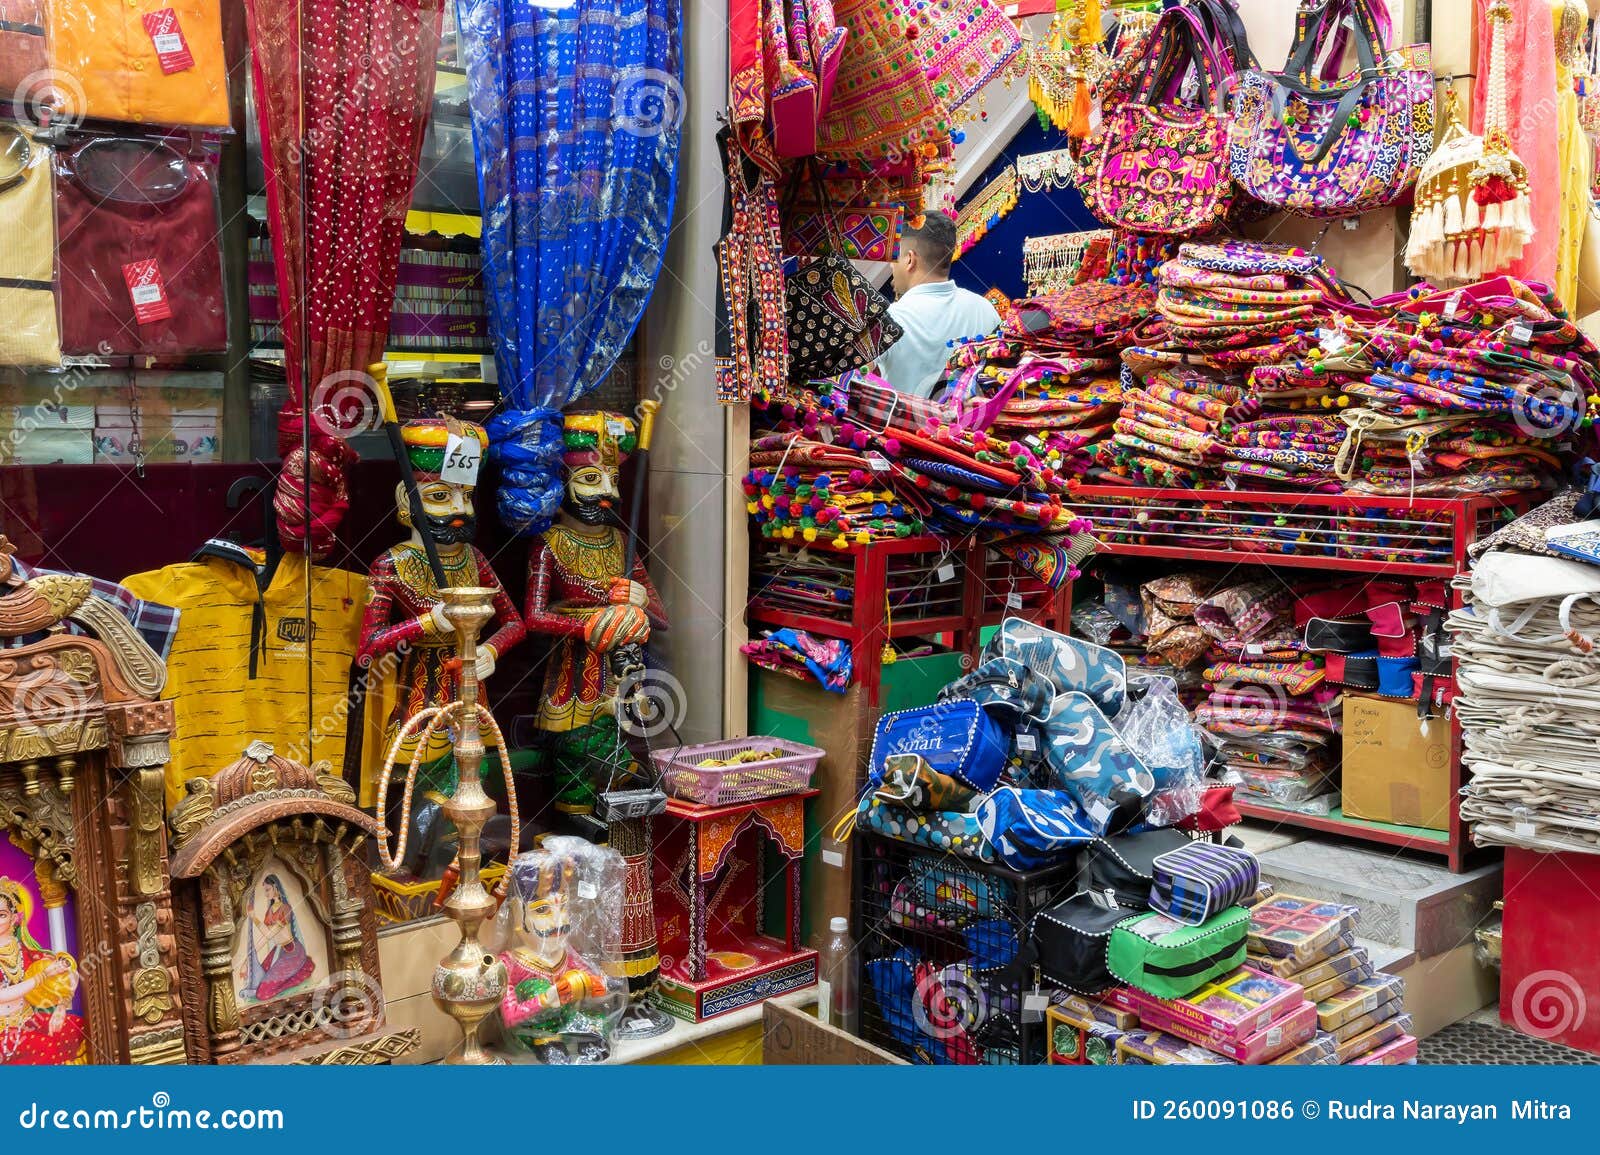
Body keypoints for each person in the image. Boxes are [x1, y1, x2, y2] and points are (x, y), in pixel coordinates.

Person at [876, 212, 1000, 398]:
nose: (891, 267)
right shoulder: (985, 309)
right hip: (971, 425)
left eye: (895, 259)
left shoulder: (888, 318)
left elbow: (851, 378)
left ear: (910, 259)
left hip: (904, 426)